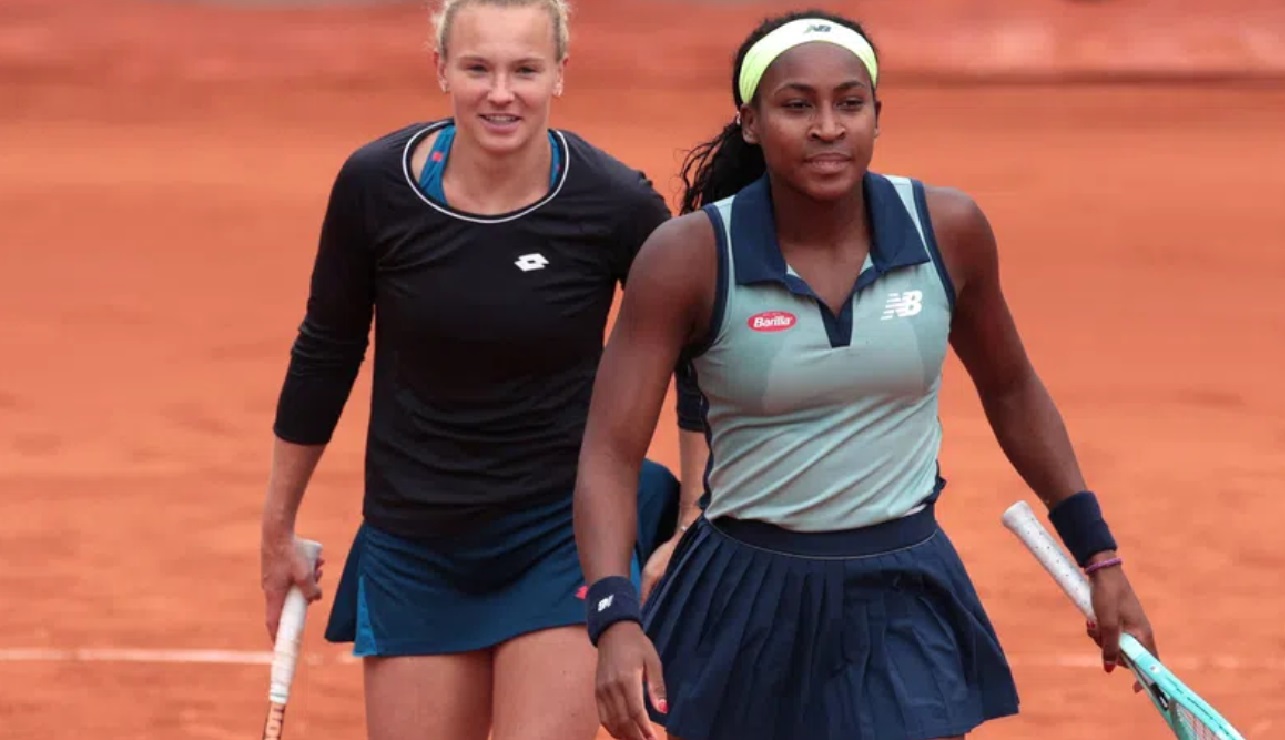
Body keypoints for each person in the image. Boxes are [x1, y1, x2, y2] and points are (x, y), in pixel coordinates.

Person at [572, 9, 1160, 740]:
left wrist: (1100, 556)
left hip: (903, 590)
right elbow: (608, 452)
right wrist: (613, 614)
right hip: (743, 596)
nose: (827, 126)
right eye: (797, 105)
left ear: (877, 114)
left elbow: (1012, 391)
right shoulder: (687, 257)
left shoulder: (948, 229)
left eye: (850, 103)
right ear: (751, 123)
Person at [258, 1, 707, 739]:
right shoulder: (374, 188)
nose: (502, 93)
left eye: (525, 69)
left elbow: (698, 354)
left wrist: (690, 521)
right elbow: (326, 352)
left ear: (560, 74)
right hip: (415, 542)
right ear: (441, 69)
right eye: (478, 68)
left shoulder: (614, 204)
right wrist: (277, 531)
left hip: (562, 534)